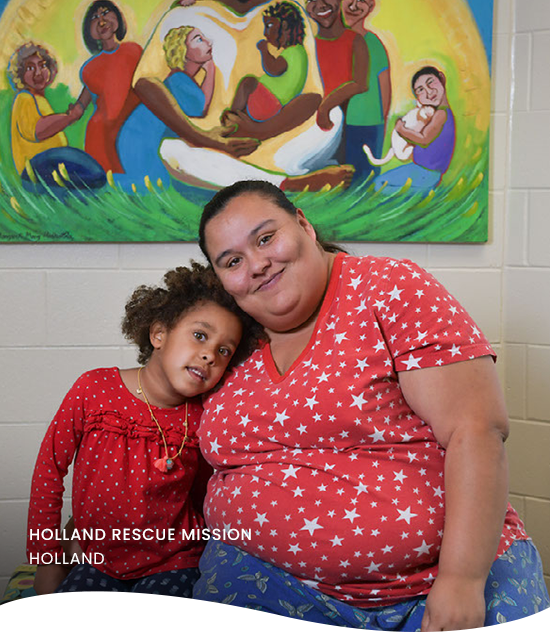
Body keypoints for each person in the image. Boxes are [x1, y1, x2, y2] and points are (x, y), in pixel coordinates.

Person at [186, 179, 550, 632]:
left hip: (441, 575)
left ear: (303, 224)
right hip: (268, 580)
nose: (257, 264)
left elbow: (475, 429)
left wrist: (461, 579)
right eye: (233, 261)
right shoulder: (223, 339)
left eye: (266, 238)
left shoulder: (390, 288)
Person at [27, 262, 263, 632]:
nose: (209, 355)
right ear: (159, 334)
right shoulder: (93, 389)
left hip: (172, 565)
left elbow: (203, 493)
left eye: (224, 351)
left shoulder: (205, 418)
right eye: (200, 336)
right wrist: (46, 559)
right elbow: (48, 473)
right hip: (99, 563)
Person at [131, 0, 354, 191]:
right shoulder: (184, 12)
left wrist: (258, 131)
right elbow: (145, 82)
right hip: (211, 146)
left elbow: (311, 96)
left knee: (332, 117)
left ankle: (255, 175)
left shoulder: (288, 10)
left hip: (277, 143)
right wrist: (206, 140)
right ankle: (289, 184)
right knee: (172, 151)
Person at [116, 25, 215, 192]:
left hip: (135, 139)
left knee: (156, 188)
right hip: (141, 142)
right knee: (156, 188)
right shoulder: (179, 80)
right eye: (198, 39)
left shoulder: (181, 80)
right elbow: (202, 108)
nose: (208, 41)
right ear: (184, 51)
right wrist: (210, 70)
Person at [8, 42, 106, 192]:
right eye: (30, 68)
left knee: (91, 174)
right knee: (92, 173)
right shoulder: (24, 98)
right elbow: (37, 130)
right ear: (20, 74)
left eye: (42, 65)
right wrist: (69, 117)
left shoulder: (40, 100)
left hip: (49, 164)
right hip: (37, 168)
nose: (38, 73)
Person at [73, 1, 143, 173]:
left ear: (118, 18)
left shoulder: (134, 51)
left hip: (132, 125)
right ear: (89, 31)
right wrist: (76, 109)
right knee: (107, 184)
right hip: (100, 133)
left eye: (105, 12)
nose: (101, 20)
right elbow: (84, 100)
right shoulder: (90, 68)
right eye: (94, 17)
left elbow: (148, 83)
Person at [223, 1, 308, 124]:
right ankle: (239, 121)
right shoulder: (299, 52)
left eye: (269, 26)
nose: (265, 33)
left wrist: (264, 51)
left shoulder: (293, 53)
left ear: (284, 26)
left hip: (269, 100)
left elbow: (273, 69)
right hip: (270, 102)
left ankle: (232, 117)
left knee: (248, 82)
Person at [374, 65, 455, 194]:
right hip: (423, 171)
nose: (429, 92)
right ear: (418, 98)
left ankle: (423, 196)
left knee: (379, 184)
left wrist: (401, 129)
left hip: (426, 174)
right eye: (421, 90)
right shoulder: (438, 113)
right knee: (382, 183)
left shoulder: (441, 114)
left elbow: (424, 140)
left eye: (431, 83)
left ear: (442, 79)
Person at [341, 0, 391, 178]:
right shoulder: (330, 40)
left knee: (364, 181)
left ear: (370, 8)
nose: (354, 6)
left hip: (367, 124)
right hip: (333, 125)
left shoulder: (374, 44)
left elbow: (384, 89)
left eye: (362, 1)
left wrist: (380, 123)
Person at [305, 0, 369, 133]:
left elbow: (360, 83)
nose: (321, 5)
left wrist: (326, 107)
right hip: (313, 129)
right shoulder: (310, 46)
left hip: (345, 125)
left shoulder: (356, 40)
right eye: (311, 0)